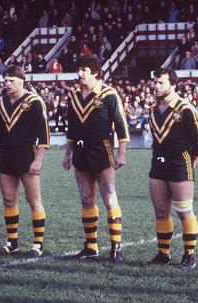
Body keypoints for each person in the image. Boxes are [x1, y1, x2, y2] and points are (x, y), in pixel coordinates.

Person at [62, 57, 130, 262]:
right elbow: (71, 128)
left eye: (84, 70)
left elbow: (121, 126)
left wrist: (122, 153)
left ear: (95, 72)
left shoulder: (109, 94)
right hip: (80, 152)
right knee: (86, 198)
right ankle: (91, 246)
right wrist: (68, 153)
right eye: (78, 70)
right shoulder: (73, 95)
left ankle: (116, 246)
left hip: (102, 150)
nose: (80, 74)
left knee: (109, 196)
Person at [0, 66, 50, 257]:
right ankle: (12, 242)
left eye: (11, 81)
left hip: (27, 155)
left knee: (33, 199)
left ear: (21, 81)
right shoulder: (1, 102)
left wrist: (38, 160)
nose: (7, 84)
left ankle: (38, 244)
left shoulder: (35, 102)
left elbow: (44, 135)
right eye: (5, 81)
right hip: (5, 156)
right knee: (8, 200)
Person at [146, 68, 198, 269]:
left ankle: (189, 255)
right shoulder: (152, 109)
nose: (156, 86)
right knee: (161, 212)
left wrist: (190, 162)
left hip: (180, 162)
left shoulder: (186, 109)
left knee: (184, 211)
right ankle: (163, 254)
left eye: (161, 82)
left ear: (173, 84)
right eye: (155, 82)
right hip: (158, 162)